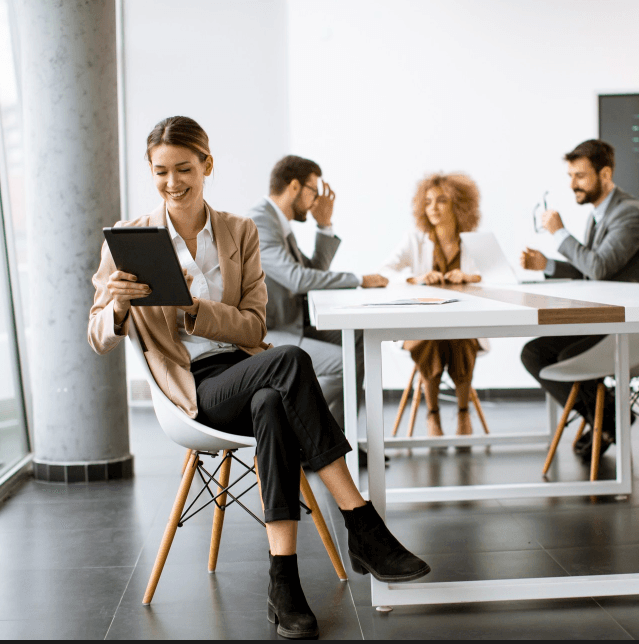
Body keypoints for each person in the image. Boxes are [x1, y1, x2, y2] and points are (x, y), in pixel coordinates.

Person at [87, 117, 428, 639]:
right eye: (161, 171)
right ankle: (362, 524)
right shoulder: (130, 239)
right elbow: (97, 335)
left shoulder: (239, 232)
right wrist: (115, 307)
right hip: (191, 388)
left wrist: (194, 307)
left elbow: (253, 325)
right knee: (290, 360)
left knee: (273, 399)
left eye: (184, 168)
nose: (173, 182)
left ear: (207, 165)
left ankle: (284, 583)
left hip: (244, 368)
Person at [518, 139, 639, 459]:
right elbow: (591, 268)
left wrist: (559, 234)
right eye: (570, 176)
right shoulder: (600, 215)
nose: (572, 185)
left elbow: (597, 268)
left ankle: (607, 418)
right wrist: (547, 265)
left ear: (605, 174)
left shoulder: (630, 214)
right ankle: (608, 417)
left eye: (580, 176)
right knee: (535, 352)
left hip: (629, 325)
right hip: (606, 318)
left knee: (566, 355)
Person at [244, 156, 388, 447]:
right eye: (314, 191)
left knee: (358, 340)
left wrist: (324, 226)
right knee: (344, 364)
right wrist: (359, 279)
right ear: (295, 186)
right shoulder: (260, 221)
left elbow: (312, 272)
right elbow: (298, 279)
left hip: (294, 321)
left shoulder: (278, 223)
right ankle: (312, 438)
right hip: (270, 331)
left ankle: (334, 441)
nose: (316, 201)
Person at [380, 172, 486, 441]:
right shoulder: (415, 240)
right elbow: (384, 272)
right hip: (422, 328)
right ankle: (433, 414)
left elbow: (499, 276)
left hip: (463, 327)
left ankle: (462, 412)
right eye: (427, 202)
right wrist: (415, 278)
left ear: (458, 205)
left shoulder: (474, 242)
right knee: (430, 340)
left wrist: (470, 277)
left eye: (441, 201)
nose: (433, 208)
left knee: (459, 337)